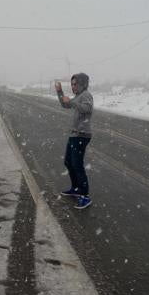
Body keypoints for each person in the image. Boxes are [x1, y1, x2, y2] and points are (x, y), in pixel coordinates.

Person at [55, 73, 93, 209]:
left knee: (77, 164)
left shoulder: (86, 95)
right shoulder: (78, 97)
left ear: (82, 84)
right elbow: (65, 105)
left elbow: (87, 109)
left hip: (82, 135)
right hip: (74, 135)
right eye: (71, 84)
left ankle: (85, 195)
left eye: (75, 84)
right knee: (68, 162)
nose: (73, 86)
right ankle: (76, 188)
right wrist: (60, 92)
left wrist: (71, 102)